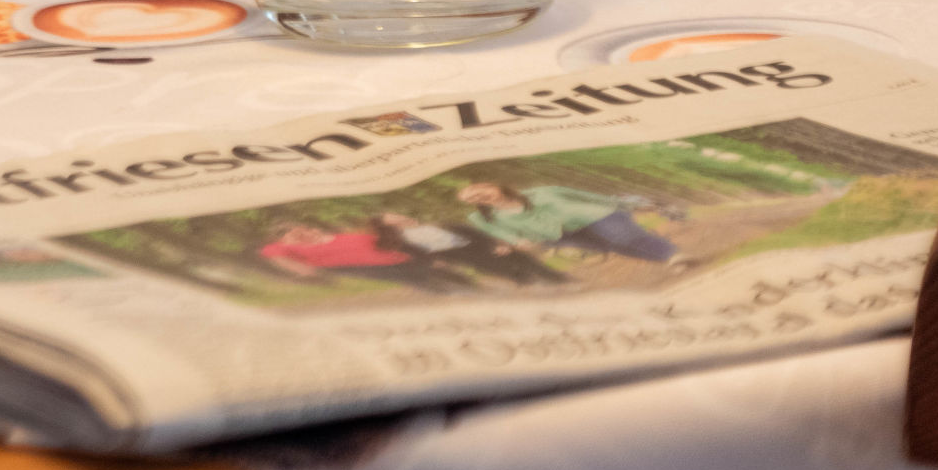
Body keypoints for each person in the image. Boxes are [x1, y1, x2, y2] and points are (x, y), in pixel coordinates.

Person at [456, 182, 681, 264]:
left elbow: (586, 196)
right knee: (612, 246)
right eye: (471, 199)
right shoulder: (480, 218)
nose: (477, 198)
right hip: (557, 235)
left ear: (492, 185)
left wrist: (623, 204)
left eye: (478, 191)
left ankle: (672, 255)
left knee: (622, 237)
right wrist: (518, 241)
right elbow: (501, 233)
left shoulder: (544, 191)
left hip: (593, 215)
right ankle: (666, 257)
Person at [255, 222, 476, 294]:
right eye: (292, 233)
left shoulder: (340, 236)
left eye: (301, 229)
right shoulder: (277, 248)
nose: (301, 233)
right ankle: (455, 295)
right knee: (422, 281)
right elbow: (284, 261)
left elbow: (382, 241)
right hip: (364, 268)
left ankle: (470, 287)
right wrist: (305, 273)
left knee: (442, 273)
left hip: (397, 257)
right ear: (282, 239)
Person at [374, 210, 568, 287]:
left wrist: (498, 243)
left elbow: (474, 233)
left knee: (521, 259)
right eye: (395, 221)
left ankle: (558, 280)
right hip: (461, 255)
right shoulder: (405, 241)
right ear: (391, 227)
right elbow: (419, 255)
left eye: (398, 216)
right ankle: (534, 286)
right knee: (505, 270)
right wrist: (434, 261)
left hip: (477, 245)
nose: (401, 219)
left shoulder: (442, 222)